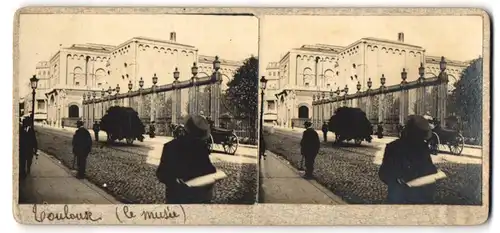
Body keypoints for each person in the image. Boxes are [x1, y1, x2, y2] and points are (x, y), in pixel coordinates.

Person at [156, 115, 218, 204]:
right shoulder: (200, 148)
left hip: (175, 198)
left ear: (185, 130)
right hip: (197, 200)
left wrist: (174, 181)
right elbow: (210, 171)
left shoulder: (169, 146)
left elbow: (161, 173)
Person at [378, 115, 438, 204]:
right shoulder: (422, 148)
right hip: (419, 200)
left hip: (398, 199)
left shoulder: (393, 147)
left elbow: (383, 174)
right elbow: (430, 171)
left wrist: (396, 180)